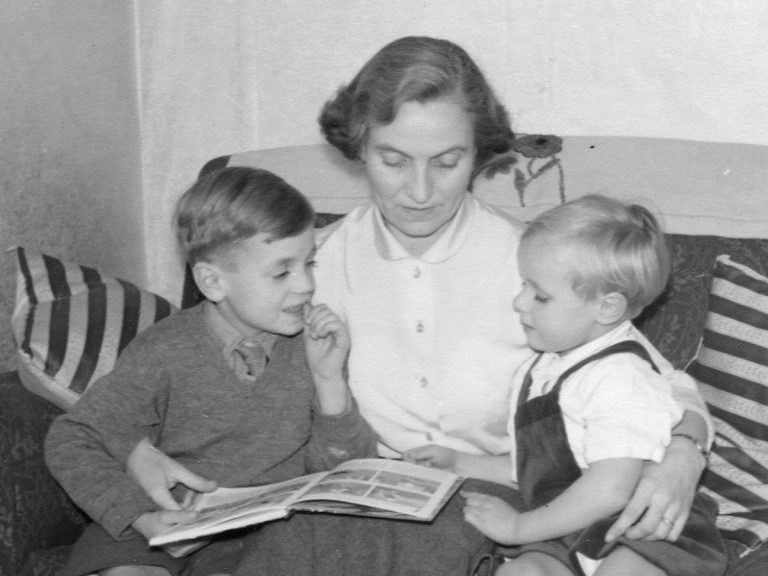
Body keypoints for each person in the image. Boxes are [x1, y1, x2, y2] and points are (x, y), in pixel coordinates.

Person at [126, 37, 715, 575]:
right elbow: (202, 356)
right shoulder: (311, 271)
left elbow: (649, 378)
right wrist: (135, 447)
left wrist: (683, 454)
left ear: (480, 153)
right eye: (394, 159)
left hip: (498, 497)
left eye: (448, 161)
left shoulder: (535, 264)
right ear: (357, 146)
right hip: (361, 500)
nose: (421, 191)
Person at [44, 166, 376, 576]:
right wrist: (139, 516)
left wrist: (329, 382)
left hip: (267, 534)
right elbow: (73, 436)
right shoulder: (164, 349)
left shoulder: (312, 347)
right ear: (212, 282)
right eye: (282, 271)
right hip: (160, 522)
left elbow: (348, 477)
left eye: (310, 263)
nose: (306, 285)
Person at [455, 195, 726, 576]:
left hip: (641, 525)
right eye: (523, 285)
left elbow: (612, 488)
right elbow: (541, 467)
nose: (519, 302)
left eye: (540, 295)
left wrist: (518, 528)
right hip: (567, 521)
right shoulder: (547, 365)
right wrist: (457, 462)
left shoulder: (620, 376)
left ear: (607, 308)